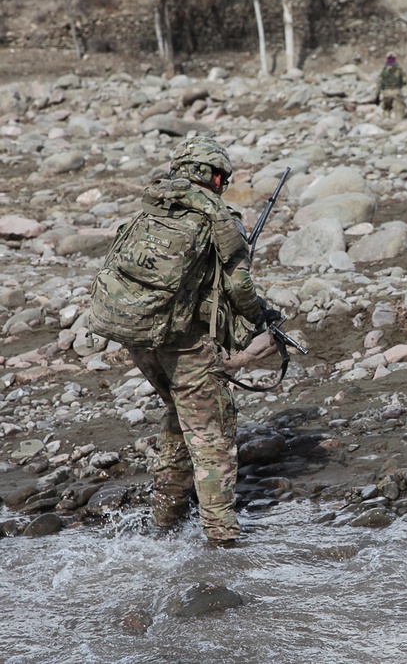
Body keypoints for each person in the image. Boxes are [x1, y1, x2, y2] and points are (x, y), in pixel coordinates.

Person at [92, 136, 273, 547]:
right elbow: (239, 284)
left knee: (177, 416)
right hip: (184, 342)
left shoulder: (152, 208)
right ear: (214, 176)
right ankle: (222, 540)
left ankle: (165, 520)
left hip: (138, 335)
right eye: (221, 177)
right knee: (212, 435)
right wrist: (259, 315)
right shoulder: (218, 217)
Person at [375, 52, 407, 120]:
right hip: (396, 91)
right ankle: (399, 124)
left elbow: (379, 83)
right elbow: (405, 81)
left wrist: (377, 96)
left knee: (386, 108)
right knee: (399, 109)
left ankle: (386, 122)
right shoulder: (399, 69)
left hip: (386, 92)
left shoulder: (383, 69)